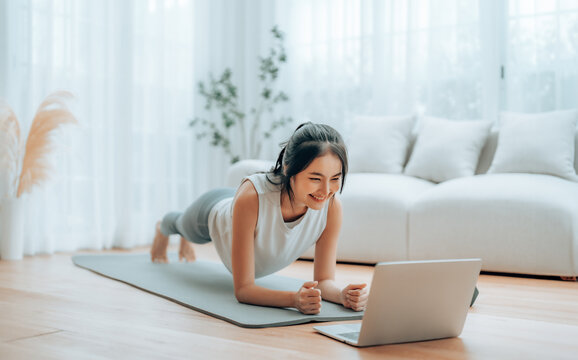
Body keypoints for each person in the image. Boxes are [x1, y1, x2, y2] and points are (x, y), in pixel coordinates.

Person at [150, 122, 368, 315]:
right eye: (315, 178)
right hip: (212, 213)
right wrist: (294, 300)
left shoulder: (331, 207)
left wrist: (342, 295)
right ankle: (162, 227)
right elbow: (244, 289)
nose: (326, 190)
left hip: (243, 206)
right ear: (288, 168)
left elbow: (323, 281)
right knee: (180, 225)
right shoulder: (252, 196)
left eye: (335, 179)